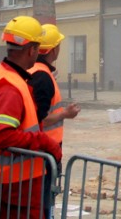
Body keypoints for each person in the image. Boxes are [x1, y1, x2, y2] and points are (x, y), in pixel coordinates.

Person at [0, 16, 61, 219]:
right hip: (16, 186)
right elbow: (0, 135)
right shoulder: (10, 86)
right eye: (37, 48)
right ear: (31, 50)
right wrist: (42, 140)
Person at [29, 23, 80, 218]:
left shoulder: (34, 70)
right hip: (44, 151)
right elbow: (39, 119)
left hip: (40, 150)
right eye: (58, 44)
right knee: (44, 201)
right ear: (52, 50)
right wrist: (65, 114)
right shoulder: (42, 77)